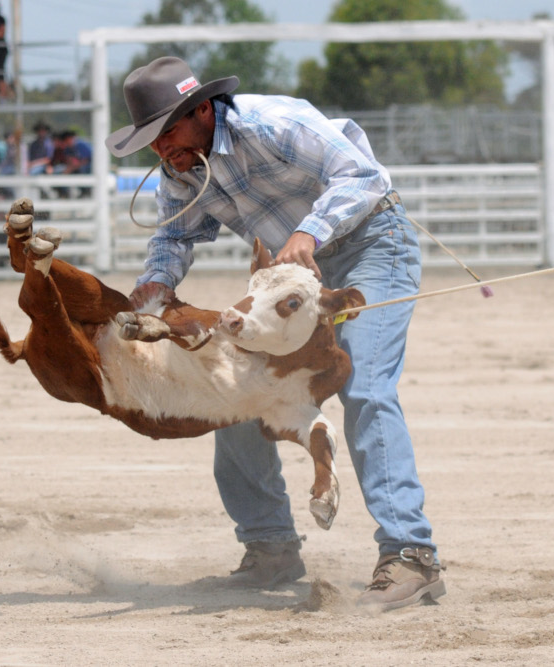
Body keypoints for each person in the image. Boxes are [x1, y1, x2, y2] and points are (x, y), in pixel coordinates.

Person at [105, 56, 444, 612]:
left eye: (168, 132)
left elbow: (365, 175)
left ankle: (412, 554)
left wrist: (310, 230)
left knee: (362, 383)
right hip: (287, 280)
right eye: (152, 140)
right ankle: (270, 547)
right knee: (234, 385)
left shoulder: (272, 123)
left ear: (202, 110)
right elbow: (174, 237)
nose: (163, 150)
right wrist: (154, 286)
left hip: (370, 248)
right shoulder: (179, 168)